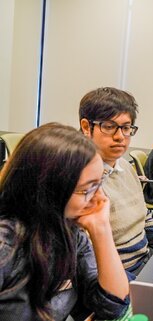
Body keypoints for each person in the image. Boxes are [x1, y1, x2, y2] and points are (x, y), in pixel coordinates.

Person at [0, 123, 129, 320]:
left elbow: (112, 305)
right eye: (86, 189)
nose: (97, 198)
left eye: (98, 184)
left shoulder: (67, 230)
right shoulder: (5, 245)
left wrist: (101, 229)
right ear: (46, 191)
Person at [79, 87, 153, 277]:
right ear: (87, 127)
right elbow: (88, 263)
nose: (120, 136)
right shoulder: (79, 181)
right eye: (109, 126)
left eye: (126, 128)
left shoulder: (125, 166)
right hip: (121, 275)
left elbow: (145, 219)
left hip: (146, 262)